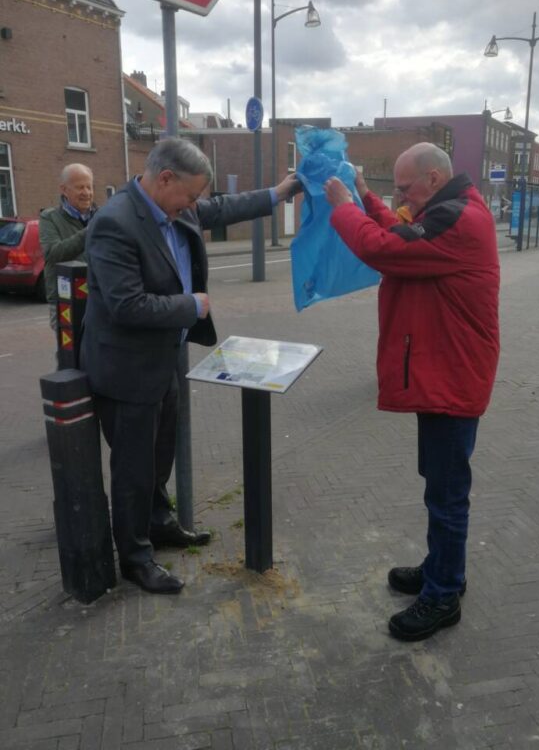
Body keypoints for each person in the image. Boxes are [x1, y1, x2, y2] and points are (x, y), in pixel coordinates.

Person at [80, 137, 300, 595]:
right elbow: (126, 306)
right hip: (127, 371)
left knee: (160, 456)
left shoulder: (177, 207)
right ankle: (136, 558)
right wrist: (191, 305)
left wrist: (277, 194)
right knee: (133, 469)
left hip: (165, 361)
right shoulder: (114, 223)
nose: (195, 205)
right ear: (165, 179)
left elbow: (221, 208)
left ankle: (159, 523)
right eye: (190, 195)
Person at [324, 142, 500, 641]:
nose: (398, 196)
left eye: (404, 187)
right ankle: (443, 569)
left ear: (435, 179)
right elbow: (400, 231)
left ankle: (443, 595)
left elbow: (385, 248)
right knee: (439, 482)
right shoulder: (447, 211)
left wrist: (342, 208)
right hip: (443, 373)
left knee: (446, 492)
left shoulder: (459, 219)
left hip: (451, 378)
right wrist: (363, 195)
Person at [39, 164, 96, 334]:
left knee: (97, 353)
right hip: (66, 300)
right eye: (80, 187)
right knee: (69, 354)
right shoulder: (50, 218)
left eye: (89, 187)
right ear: (64, 189)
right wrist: (90, 231)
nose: (86, 192)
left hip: (98, 297)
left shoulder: (102, 215)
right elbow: (53, 253)